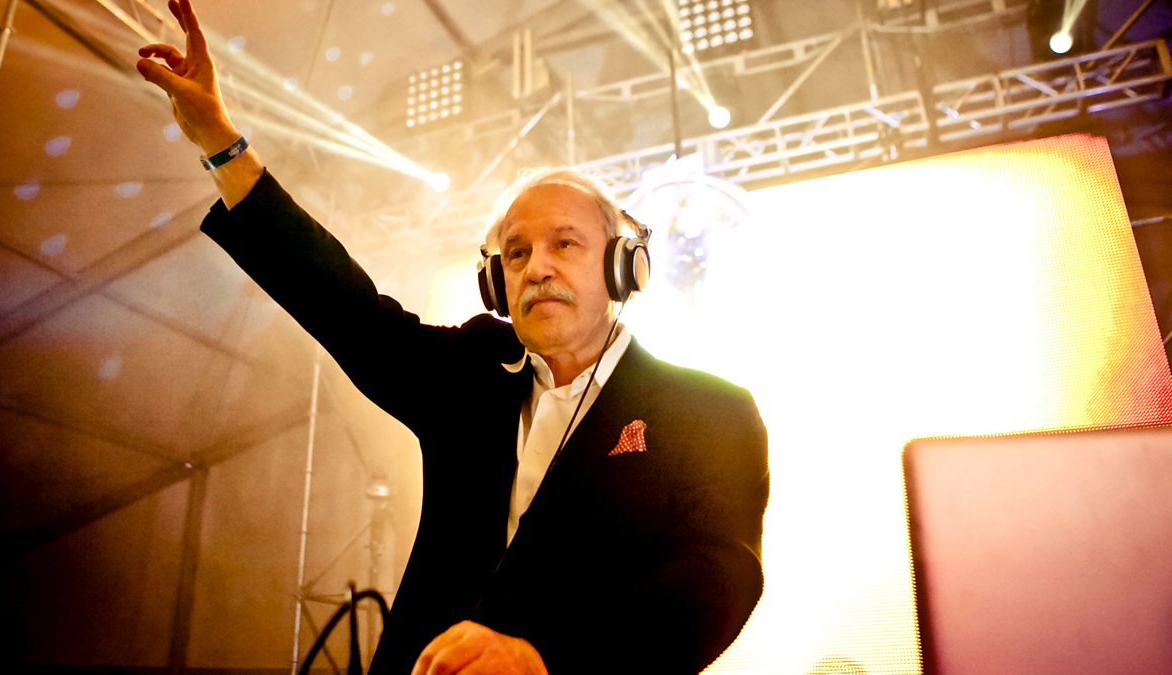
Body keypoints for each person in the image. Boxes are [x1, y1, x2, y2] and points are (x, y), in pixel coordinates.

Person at [137, 2, 769, 673]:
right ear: (496, 282)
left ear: (622, 268)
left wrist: (543, 657)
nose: (538, 267)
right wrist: (220, 141)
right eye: (517, 253)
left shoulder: (710, 412)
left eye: (565, 243)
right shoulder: (469, 372)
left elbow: (717, 580)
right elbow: (343, 306)